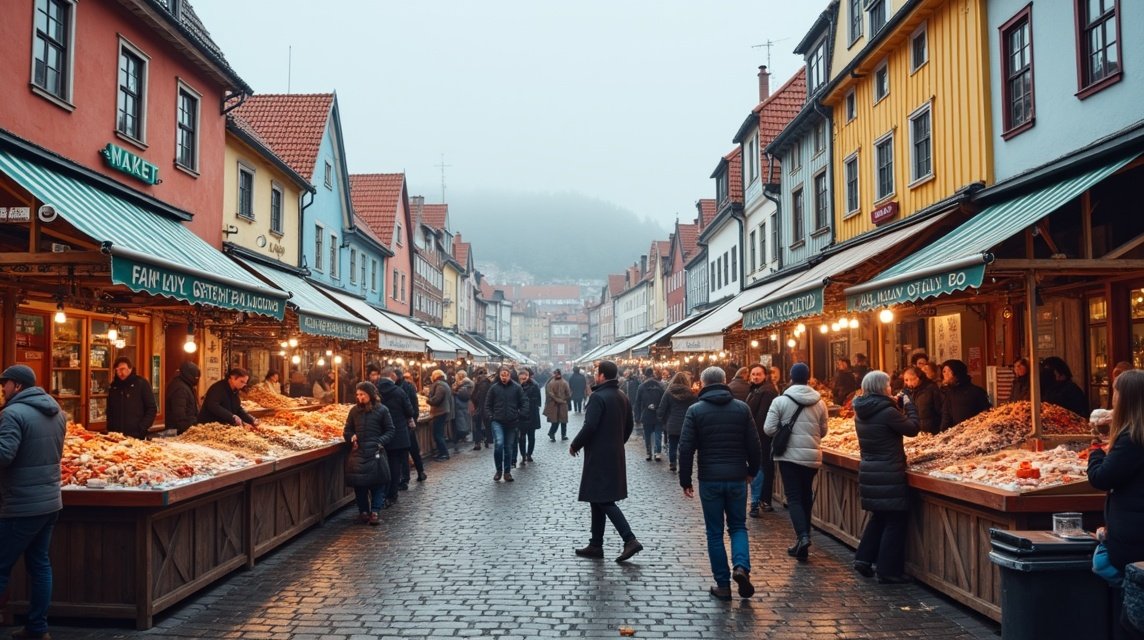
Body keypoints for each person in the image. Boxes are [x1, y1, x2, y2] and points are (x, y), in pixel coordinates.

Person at [678, 366, 762, 600]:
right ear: (724, 381)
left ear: (703, 384)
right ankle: (741, 567)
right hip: (737, 477)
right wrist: (752, 470)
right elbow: (754, 445)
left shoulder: (695, 410)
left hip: (710, 479)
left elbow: (686, 448)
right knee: (738, 526)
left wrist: (685, 480)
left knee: (714, 532)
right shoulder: (742, 408)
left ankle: (723, 585)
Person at [0, 365, 66, 640]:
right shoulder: (57, 412)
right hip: (50, 501)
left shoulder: (12, 414)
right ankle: (38, 628)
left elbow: (4, 456)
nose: (2, 389)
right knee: (40, 565)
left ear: (17, 385)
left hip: (21, 503)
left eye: (5, 384)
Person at [1088, 369, 1144, 639]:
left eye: (1116, 392)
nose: (1113, 398)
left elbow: (1101, 477)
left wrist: (1095, 452)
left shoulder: (1133, 437)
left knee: (1106, 565)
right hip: (1132, 526)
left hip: (1133, 531)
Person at [569, 360, 643, 563]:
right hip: (615, 452)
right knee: (597, 497)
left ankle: (630, 539)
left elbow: (590, 425)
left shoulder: (598, 397)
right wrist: (617, 442)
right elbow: (628, 426)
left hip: (599, 455)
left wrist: (575, 444)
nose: (594, 375)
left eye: (596, 372)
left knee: (603, 499)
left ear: (602, 375)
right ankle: (595, 544)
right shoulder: (622, 396)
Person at [852, 370, 920, 584]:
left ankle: (863, 558)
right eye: (888, 385)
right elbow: (913, 429)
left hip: (871, 469)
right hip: (888, 471)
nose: (891, 388)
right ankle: (888, 570)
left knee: (880, 516)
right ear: (882, 388)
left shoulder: (861, 409)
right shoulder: (887, 412)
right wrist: (909, 405)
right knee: (895, 520)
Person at [764, 362, 828, 561]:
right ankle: (803, 542)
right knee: (806, 495)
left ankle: (802, 536)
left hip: (789, 456)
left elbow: (768, 429)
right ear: (807, 378)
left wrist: (785, 429)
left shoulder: (780, 401)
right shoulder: (820, 402)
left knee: (793, 497)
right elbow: (823, 431)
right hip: (811, 456)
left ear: (791, 378)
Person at [343, 382, 395, 526]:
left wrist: (380, 442)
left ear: (370, 395)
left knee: (378, 484)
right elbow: (347, 429)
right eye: (358, 395)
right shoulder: (354, 411)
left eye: (362, 395)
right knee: (360, 485)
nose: (359, 397)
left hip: (375, 452)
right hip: (358, 453)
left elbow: (390, 430)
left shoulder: (382, 410)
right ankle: (364, 512)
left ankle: (375, 512)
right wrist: (351, 436)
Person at [373, 367, 414, 501]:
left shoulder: (375, 391)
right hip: (398, 433)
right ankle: (393, 493)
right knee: (395, 464)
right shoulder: (399, 391)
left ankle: (381, 494)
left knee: (381, 464)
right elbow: (409, 411)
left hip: (379, 433)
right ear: (392, 375)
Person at [746, 364, 779, 516]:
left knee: (762, 466)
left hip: (762, 437)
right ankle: (761, 499)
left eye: (759, 374)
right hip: (757, 435)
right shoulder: (756, 389)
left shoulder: (767, 391)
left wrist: (755, 437)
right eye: (753, 374)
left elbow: (762, 416)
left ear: (765, 375)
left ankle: (762, 499)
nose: (755, 376)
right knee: (761, 466)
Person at [485, 366, 527, 482]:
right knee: (499, 444)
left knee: (508, 447)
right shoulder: (494, 388)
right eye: (502, 375)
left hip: (512, 422)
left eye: (506, 375)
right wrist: (490, 416)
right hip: (497, 421)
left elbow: (524, 402)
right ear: (499, 375)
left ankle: (507, 472)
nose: (504, 377)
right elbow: (487, 404)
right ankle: (499, 470)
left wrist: (520, 415)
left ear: (509, 375)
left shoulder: (517, 388)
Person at [105, 357, 157, 439]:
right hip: (116, 435)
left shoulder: (141, 383)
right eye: (117, 370)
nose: (119, 373)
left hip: (136, 435)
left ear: (130, 368)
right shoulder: (113, 386)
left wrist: (142, 427)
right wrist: (110, 427)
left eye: (123, 369)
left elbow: (151, 408)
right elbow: (109, 409)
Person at [657, 371, 697, 473]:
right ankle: (682, 463)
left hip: (672, 423)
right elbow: (696, 408)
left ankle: (672, 463)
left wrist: (664, 421)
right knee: (684, 446)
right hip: (686, 424)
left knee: (672, 445)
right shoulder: (691, 393)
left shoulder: (669, 392)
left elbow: (662, 408)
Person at [392, 367, 426, 483]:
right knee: (413, 449)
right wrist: (413, 420)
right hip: (410, 422)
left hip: (404, 423)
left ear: (395, 377)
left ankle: (405, 478)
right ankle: (420, 471)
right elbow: (415, 405)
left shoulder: (398, 389)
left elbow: (410, 407)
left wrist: (411, 419)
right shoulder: (409, 387)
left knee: (405, 451)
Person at [939, 359, 991, 431]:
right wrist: (942, 433)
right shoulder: (948, 392)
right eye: (944, 371)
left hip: (974, 432)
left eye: (949, 371)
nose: (946, 374)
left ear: (958, 373)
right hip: (955, 434)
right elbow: (946, 416)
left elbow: (987, 413)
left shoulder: (976, 392)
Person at [635, 367, 665, 462]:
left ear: (645, 375)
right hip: (658, 414)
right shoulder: (660, 385)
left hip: (646, 414)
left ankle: (648, 453)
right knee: (658, 434)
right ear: (653, 374)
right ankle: (658, 453)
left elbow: (637, 403)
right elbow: (664, 401)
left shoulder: (641, 387)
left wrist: (637, 417)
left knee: (647, 435)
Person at [901, 366, 941, 434]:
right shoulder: (906, 391)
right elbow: (906, 410)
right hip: (914, 429)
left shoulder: (931, 388)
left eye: (912, 379)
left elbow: (939, 409)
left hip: (930, 430)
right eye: (906, 380)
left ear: (919, 378)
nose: (909, 383)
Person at [165, 361, 201, 435]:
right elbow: (180, 416)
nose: (197, 379)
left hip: (184, 429)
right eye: (196, 376)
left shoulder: (185, 385)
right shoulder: (180, 388)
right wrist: (192, 429)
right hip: (178, 432)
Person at [425, 369, 453, 461]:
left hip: (440, 412)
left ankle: (444, 454)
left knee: (438, 435)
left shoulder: (440, 385)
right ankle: (441, 453)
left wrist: (428, 399)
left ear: (435, 376)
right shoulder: (443, 384)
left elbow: (436, 400)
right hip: (442, 411)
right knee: (438, 434)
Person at [518, 368, 542, 463]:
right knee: (522, 436)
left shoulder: (534, 386)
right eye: (521, 378)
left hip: (532, 413)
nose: (523, 379)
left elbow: (538, 401)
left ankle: (529, 454)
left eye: (524, 377)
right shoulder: (517, 386)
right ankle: (523, 455)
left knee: (531, 436)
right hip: (521, 415)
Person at [544, 368, 572, 441]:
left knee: (557, 421)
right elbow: (568, 394)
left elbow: (550, 394)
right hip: (561, 403)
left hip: (555, 403)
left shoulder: (550, 383)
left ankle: (553, 434)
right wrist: (563, 400)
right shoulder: (564, 382)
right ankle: (561, 435)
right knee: (560, 421)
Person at [470, 367, 492, 450]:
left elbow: (473, 396)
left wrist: (476, 403)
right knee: (487, 425)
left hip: (479, 407)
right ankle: (487, 440)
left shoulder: (478, 384)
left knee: (477, 426)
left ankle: (477, 443)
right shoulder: (489, 384)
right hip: (487, 408)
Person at [452, 370, 474, 446]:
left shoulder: (464, 384)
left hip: (461, 405)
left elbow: (464, 395)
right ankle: (461, 436)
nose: (456, 377)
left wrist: (454, 392)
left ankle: (459, 437)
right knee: (463, 421)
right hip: (462, 406)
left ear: (460, 376)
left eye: (457, 375)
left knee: (462, 423)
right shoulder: (462, 384)